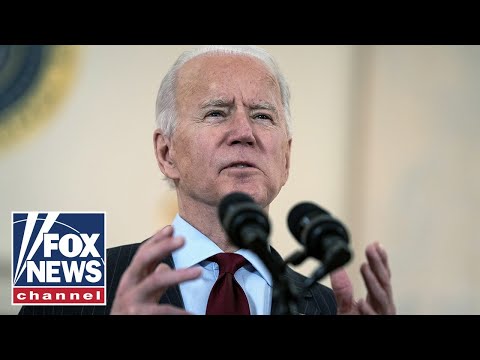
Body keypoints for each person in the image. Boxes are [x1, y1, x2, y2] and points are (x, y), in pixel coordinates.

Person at [18, 45, 396, 315]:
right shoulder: (70, 281)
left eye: (263, 116)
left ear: (286, 157)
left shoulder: (328, 307)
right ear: (167, 154)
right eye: (217, 112)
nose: (244, 132)